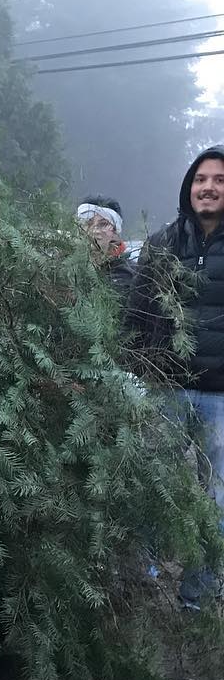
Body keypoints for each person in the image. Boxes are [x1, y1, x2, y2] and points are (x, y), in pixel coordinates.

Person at [129, 147, 224, 608]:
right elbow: (136, 312)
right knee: (150, 485)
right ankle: (142, 577)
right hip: (164, 388)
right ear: (189, 187)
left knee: (217, 501)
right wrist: (134, 372)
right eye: (201, 179)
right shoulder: (163, 243)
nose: (209, 187)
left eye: (219, 180)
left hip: (221, 398)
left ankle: (198, 597)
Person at [77, 195, 135, 296]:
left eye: (103, 224)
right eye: (88, 223)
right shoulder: (66, 266)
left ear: (116, 231)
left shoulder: (126, 275)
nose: (94, 230)